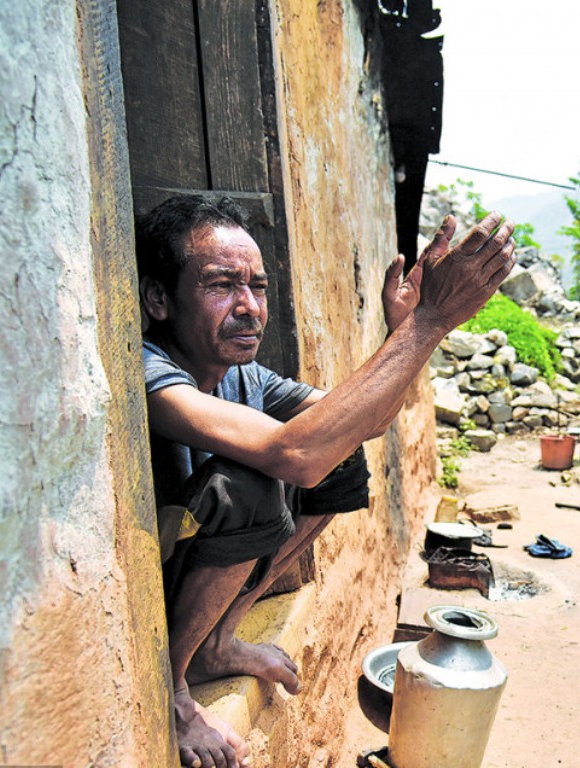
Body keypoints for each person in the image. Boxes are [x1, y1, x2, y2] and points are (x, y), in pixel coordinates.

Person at [136, 194, 515, 768]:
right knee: (250, 482)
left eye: (258, 288)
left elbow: (360, 426)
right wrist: (433, 320)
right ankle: (174, 687)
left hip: (198, 567)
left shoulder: (246, 375)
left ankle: (218, 638)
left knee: (342, 460)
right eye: (221, 286)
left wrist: (411, 332)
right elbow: (293, 454)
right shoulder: (150, 370)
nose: (248, 308)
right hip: (153, 589)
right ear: (160, 299)